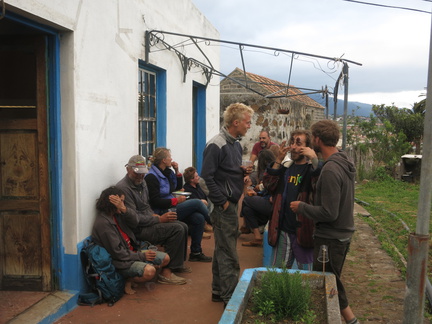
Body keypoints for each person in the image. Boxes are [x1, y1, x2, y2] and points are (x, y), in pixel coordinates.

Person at [290, 120, 359, 324]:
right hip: (341, 235)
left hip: (331, 238)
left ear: (318, 140)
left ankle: (348, 320)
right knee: (330, 281)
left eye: (313, 140)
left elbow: (329, 213)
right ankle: (348, 320)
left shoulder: (330, 170)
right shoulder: (344, 161)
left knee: (328, 283)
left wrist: (301, 207)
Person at [201, 102, 254, 306]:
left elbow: (225, 172)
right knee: (229, 252)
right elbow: (206, 178)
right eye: (247, 122)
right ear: (236, 122)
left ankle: (218, 291)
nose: (249, 126)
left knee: (222, 249)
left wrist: (242, 173)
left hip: (230, 204)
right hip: (223, 207)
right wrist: (222, 202)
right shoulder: (217, 144)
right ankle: (230, 299)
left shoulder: (235, 143)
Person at [116, 155, 190, 285]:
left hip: (147, 223)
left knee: (182, 225)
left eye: (142, 173)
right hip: (137, 230)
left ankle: (176, 264)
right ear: (128, 170)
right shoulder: (124, 188)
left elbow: (145, 206)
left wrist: (153, 215)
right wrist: (158, 219)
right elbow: (134, 219)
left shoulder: (142, 182)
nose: (140, 176)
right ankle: (166, 273)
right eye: (136, 173)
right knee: (176, 229)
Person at [92, 186, 171, 294]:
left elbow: (135, 221)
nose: (123, 204)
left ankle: (136, 272)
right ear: (113, 202)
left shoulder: (118, 215)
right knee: (149, 271)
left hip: (132, 252)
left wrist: (124, 209)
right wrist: (141, 256)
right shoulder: (103, 224)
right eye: (121, 201)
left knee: (165, 258)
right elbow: (118, 254)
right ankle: (126, 279)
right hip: (121, 262)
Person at [263, 130, 321, 270]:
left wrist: (314, 160)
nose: (293, 147)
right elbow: (269, 185)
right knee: (276, 274)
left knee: (307, 279)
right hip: (283, 232)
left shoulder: (311, 171)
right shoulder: (286, 168)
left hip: (304, 233)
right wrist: (278, 160)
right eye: (292, 142)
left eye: (298, 143)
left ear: (308, 148)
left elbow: (320, 185)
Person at [145, 148, 212, 262]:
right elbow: (155, 201)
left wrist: (176, 171)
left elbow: (176, 188)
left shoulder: (166, 172)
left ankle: (196, 252)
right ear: (164, 160)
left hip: (171, 206)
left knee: (198, 218)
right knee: (196, 202)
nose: (172, 159)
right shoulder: (151, 177)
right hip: (162, 211)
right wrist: (175, 201)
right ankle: (214, 222)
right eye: (169, 157)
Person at [240, 149, 276, 245]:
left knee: (247, 199)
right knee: (247, 209)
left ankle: (245, 225)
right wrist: (257, 194)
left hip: (272, 203)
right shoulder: (264, 172)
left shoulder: (270, 171)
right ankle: (257, 237)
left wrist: (258, 190)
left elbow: (270, 189)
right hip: (266, 200)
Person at [183, 166, 213, 233]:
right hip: (193, 212)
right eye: (196, 176)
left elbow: (204, 196)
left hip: (203, 207)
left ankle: (206, 224)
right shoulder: (187, 189)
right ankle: (206, 225)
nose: (198, 177)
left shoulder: (198, 186)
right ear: (191, 179)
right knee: (201, 205)